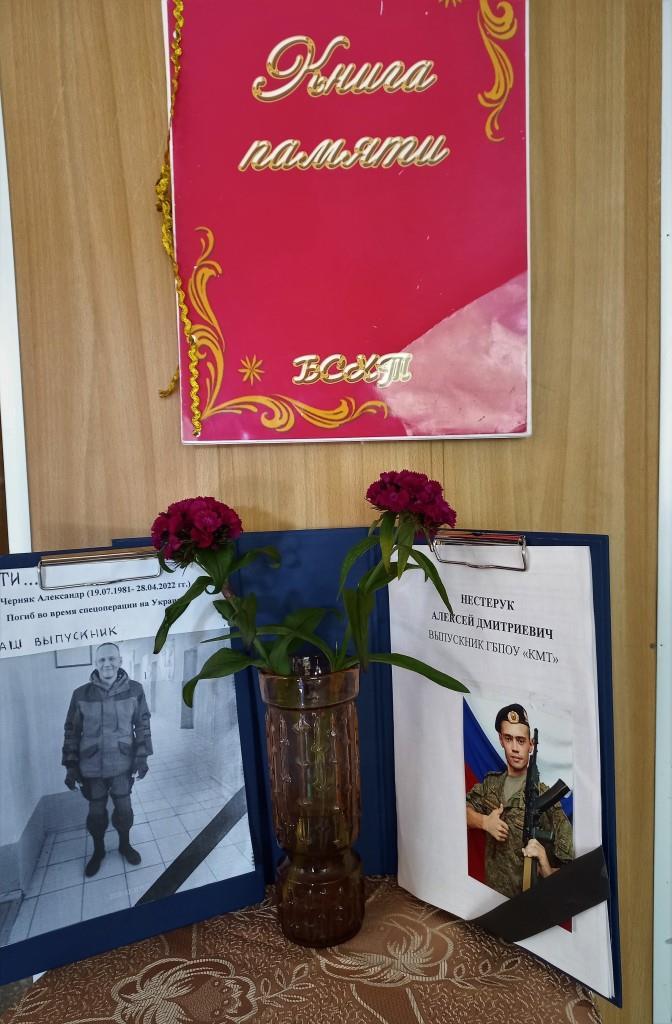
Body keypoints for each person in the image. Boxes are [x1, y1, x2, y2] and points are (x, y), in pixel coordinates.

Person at [61, 642, 153, 877]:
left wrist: (141, 758)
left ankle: (125, 845)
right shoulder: (80, 694)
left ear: (120, 661)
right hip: (91, 767)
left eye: (112, 659)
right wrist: (71, 766)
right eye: (102, 660)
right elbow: (72, 732)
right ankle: (98, 851)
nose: (107, 664)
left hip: (123, 764)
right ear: (96, 663)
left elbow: (142, 726)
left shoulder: (135, 690)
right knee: (96, 814)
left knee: (125, 810)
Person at [465, 703, 573, 899]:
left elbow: (573, 873)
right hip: (491, 898)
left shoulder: (546, 798)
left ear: (531, 745)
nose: (515, 748)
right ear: (501, 740)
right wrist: (484, 822)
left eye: (521, 741)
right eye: (509, 739)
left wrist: (546, 866)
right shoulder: (490, 785)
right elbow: (458, 812)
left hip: (530, 904)